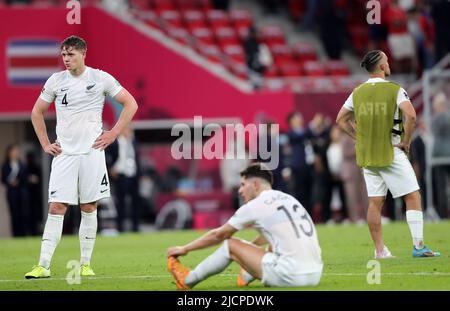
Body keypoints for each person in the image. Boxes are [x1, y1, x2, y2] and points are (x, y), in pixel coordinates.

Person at [25, 35, 138, 279]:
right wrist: (45, 144)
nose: (66, 59)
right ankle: (43, 265)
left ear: (83, 54)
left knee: (89, 206)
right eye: (63, 55)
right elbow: (36, 112)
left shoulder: (100, 78)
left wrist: (113, 133)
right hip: (64, 154)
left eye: (71, 54)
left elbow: (130, 103)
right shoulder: (56, 81)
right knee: (56, 206)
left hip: (92, 153)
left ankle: (85, 264)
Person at [336, 50, 440, 259]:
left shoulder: (357, 92)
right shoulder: (395, 90)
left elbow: (340, 119)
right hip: (391, 151)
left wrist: (358, 137)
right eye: (387, 60)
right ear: (382, 67)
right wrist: (407, 141)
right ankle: (418, 246)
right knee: (412, 196)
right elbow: (410, 114)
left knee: (375, 202)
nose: (389, 63)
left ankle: (380, 251)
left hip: (367, 155)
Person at [167, 163, 323, 289]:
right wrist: (249, 251)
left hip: (291, 275)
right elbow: (273, 233)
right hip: (315, 274)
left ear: (255, 184)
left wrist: (185, 249)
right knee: (273, 245)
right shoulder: (288, 199)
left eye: (243, 185)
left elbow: (219, 235)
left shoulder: (256, 205)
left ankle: (187, 280)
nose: (240, 190)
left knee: (230, 245)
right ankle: (248, 274)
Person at [108, 124, 141, 232]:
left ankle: (135, 227)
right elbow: (108, 157)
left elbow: (137, 158)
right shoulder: (115, 142)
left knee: (135, 202)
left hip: (133, 174)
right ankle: (120, 227)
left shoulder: (134, 142)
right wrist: (111, 169)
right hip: (120, 175)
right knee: (120, 202)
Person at [1, 144, 29, 237]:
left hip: (22, 192)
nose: (15, 153)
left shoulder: (22, 165)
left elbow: (26, 178)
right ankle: (15, 234)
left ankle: (24, 233)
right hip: (12, 193)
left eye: (16, 151)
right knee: (14, 213)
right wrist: (10, 183)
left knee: (23, 213)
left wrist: (19, 181)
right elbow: (3, 179)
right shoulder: (5, 165)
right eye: (13, 151)